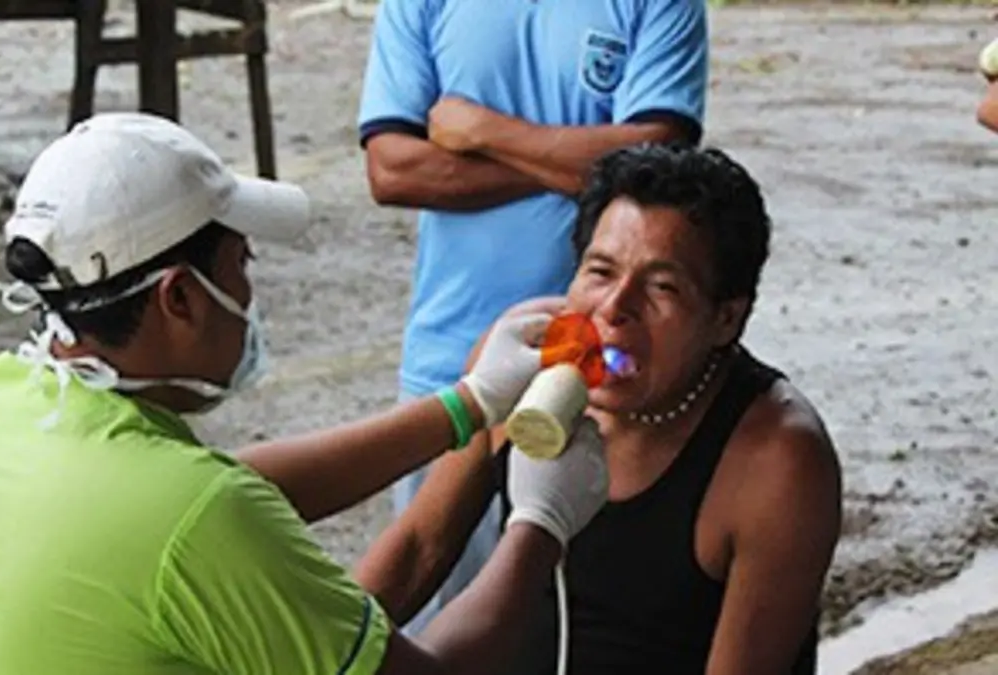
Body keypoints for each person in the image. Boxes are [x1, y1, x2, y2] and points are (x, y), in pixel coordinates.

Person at [0, 112, 611, 675]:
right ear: (180, 296)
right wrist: (539, 524)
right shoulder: (192, 517)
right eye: (242, 262)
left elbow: (229, 490)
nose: (250, 291)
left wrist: (469, 405)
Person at [354, 143, 844, 674]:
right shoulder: (520, 358)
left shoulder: (777, 457)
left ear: (726, 319)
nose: (615, 309)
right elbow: (419, 549)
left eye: (662, 286)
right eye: (600, 272)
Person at [357, 0, 710, 630]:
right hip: (454, 364)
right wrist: (580, 164)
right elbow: (392, 169)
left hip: (611, 376)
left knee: (595, 626)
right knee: (434, 615)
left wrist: (482, 131)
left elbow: (658, 163)